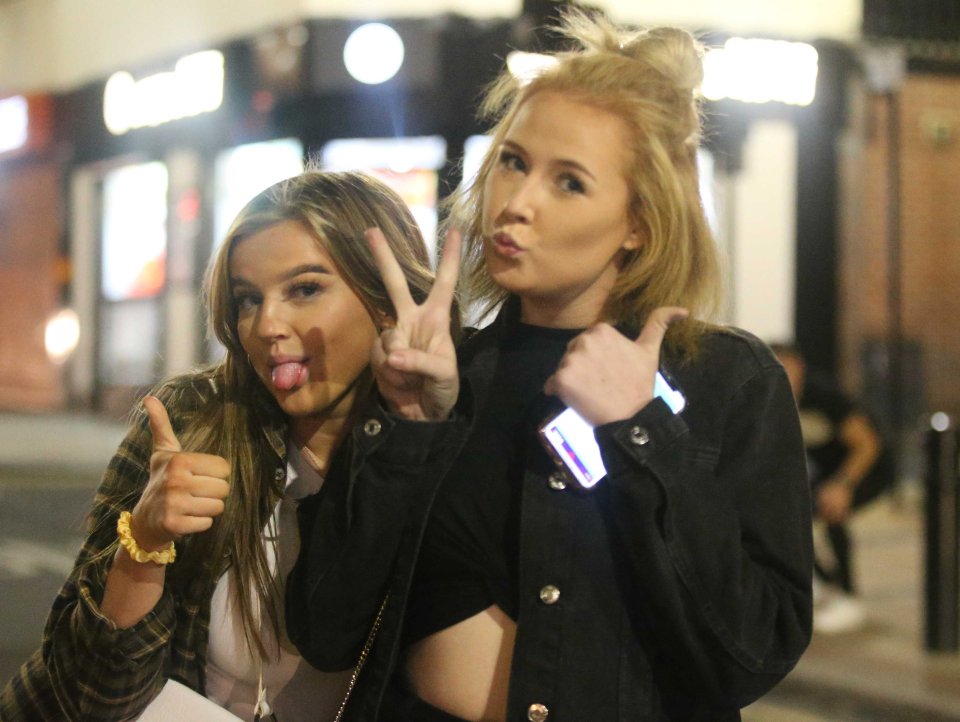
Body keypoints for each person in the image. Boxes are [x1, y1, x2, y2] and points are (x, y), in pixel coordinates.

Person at [287, 10, 813, 721]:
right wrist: (406, 428)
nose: (517, 204)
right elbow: (326, 630)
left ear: (640, 223)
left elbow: (750, 651)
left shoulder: (726, 380)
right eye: (513, 161)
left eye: (570, 183)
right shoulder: (445, 376)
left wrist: (639, 428)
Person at [0, 169, 459, 722]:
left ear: (387, 303)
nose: (267, 324)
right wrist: (144, 540)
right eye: (247, 299)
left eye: (305, 289)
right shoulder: (193, 418)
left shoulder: (449, 442)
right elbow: (91, 695)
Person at [772, 343, 895, 634]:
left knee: (832, 509)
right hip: (826, 473)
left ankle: (849, 592)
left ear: (798, 367)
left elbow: (867, 444)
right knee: (789, 515)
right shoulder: (773, 399)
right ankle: (826, 584)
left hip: (866, 469)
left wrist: (844, 485)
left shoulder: (824, 397)